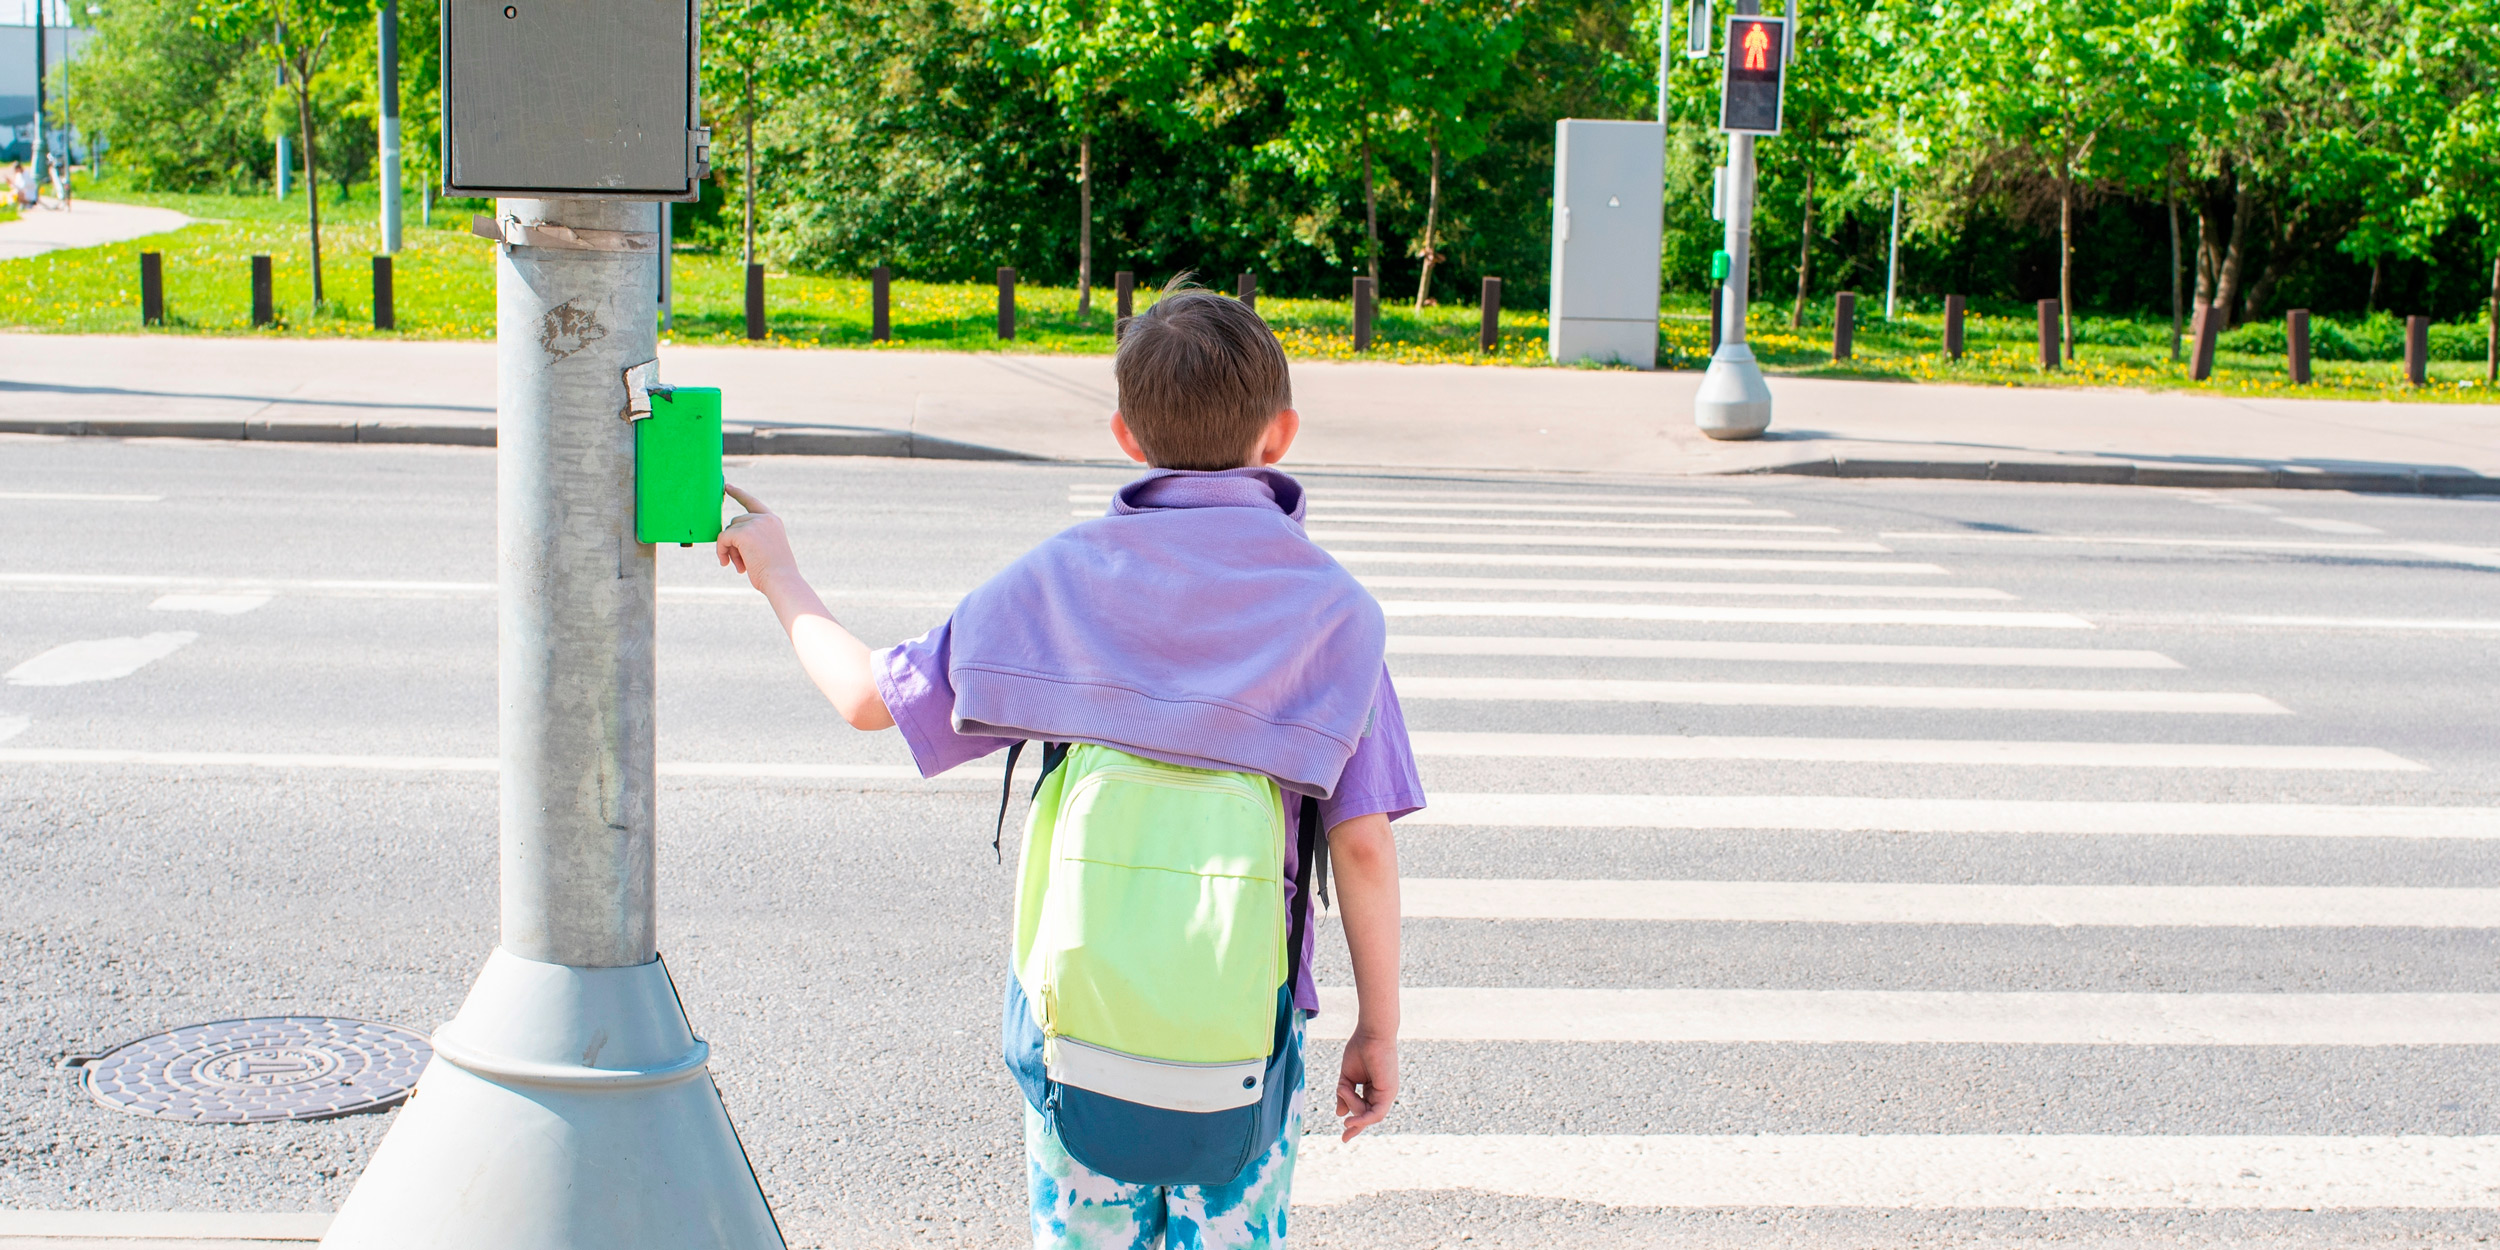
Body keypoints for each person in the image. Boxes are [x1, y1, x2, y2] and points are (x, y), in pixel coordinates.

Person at [714, 284, 1419, 1249]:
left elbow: (867, 699)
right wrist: (1376, 1029)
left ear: (1128, 436)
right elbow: (1366, 848)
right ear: (1280, 434)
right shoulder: (1337, 614)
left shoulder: (1063, 577)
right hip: (1246, 1027)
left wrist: (779, 571)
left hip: (1079, 1018)